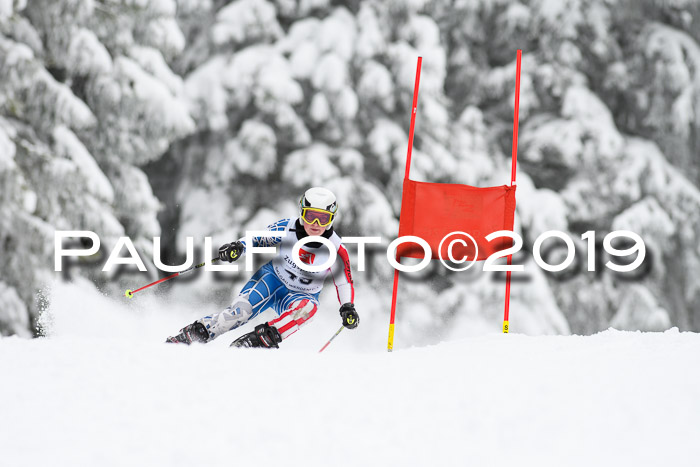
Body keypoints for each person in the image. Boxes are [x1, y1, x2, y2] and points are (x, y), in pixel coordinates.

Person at [166, 187, 359, 348]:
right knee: (238, 314)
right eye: (310, 217)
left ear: (331, 219)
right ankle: (193, 334)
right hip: (272, 280)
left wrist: (347, 307)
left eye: (323, 219)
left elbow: (344, 283)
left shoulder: (336, 248)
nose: (315, 224)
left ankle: (259, 341)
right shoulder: (288, 227)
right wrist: (239, 247)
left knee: (308, 310)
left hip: (302, 295)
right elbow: (258, 239)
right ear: (302, 213)